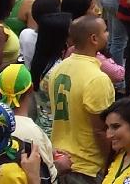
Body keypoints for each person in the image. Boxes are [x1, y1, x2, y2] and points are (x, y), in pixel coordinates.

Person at [47, 15, 114, 184]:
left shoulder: (58, 69)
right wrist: (111, 161)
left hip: (59, 158)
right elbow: (100, 130)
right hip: (87, 166)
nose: (108, 34)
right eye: (105, 31)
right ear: (94, 39)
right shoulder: (97, 79)